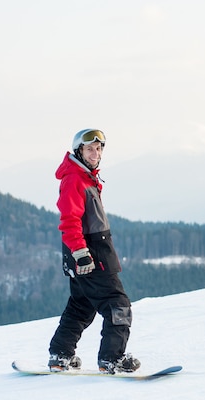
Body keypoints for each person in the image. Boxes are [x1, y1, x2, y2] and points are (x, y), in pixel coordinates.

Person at [48, 128, 141, 374]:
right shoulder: (75, 179)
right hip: (90, 254)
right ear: (79, 150)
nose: (95, 153)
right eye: (90, 148)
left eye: (99, 149)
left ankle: (60, 355)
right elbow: (69, 220)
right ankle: (112, 359)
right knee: (118, 305)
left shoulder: (84, 176)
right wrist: (81, 253)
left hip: (87, 252)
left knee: (81, 305)